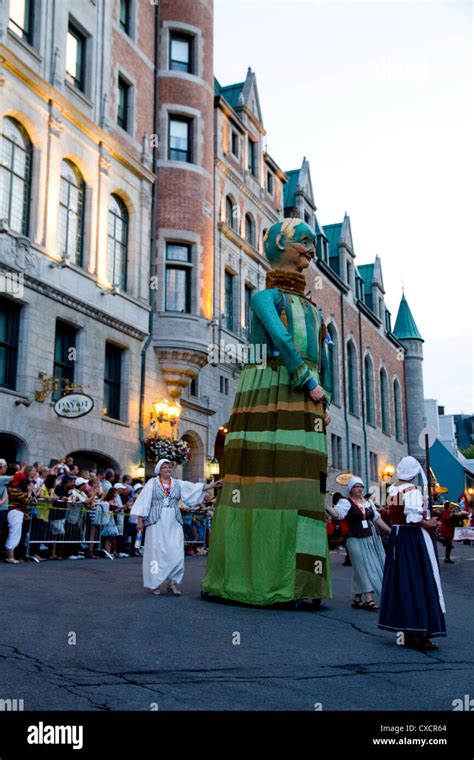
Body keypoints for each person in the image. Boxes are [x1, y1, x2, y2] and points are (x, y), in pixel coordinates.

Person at [202, 219, 333, 606]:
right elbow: (280, 339)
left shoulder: (311, 306)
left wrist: (324, 399)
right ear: (280, 242)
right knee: (264, 481)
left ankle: (302, 582)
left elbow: (322, 356)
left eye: (312, 242)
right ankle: (261, 577)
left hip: (301, 392)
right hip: (271, 384)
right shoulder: (264, 297)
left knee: (305, 485)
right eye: (304, 242)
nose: (311, 249)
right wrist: (308, 383)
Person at [379, 456, 446, 651]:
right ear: (415, 472)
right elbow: (413, 518)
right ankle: (418, 630)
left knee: (402, 581)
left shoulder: (392, 490)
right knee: (419, 580)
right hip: (411, 538)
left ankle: (406, 627)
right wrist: (431, 523)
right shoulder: (412, 491)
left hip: (397, 538)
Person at [131, 459, 222, 596]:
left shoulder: (178, 484)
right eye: (164, 467)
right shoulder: (152, 483)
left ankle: (172, 583)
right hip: (156, 521)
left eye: (169, 467)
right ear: (159, 471)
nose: (168, 469)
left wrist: (212, 485)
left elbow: (194, 488)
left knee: (176, 551)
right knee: (156, 552)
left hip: (174, 521)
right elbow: (143, 501)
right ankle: (154, 583)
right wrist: (140, 520)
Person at [326, 477, 391, 610]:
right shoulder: (345, 502)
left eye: (361, 486)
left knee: (359, 567)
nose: (359, 488)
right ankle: (369, 598)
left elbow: (377, 518)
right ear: (350, 488)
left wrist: (391, 531)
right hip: (354, 537)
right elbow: (338, 514)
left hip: (370, 537)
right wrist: (325, 506)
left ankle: (357, 597)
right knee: (363, 565)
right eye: (356, 486)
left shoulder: (367, 502)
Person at [5, 472, 29, 564]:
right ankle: (10, 557)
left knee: (12, 533)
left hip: (13, 512)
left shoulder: (11, 488)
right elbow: (26, 501)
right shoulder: (17, 489)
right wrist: (29, 492)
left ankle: (10, 555)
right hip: (16, 512)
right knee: (15, 534)